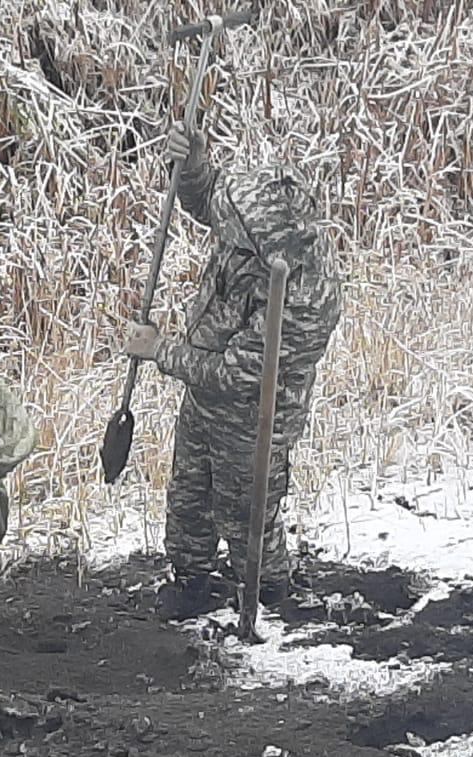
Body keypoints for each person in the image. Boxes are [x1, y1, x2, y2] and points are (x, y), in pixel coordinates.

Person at [123, 126, 343, 619]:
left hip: (254, 419)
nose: (226, 235)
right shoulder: (255, 210)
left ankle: (271, 600)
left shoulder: (304, 297)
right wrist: (194, 166)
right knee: (188, 502)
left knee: (246, 517)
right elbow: (210, 203)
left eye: (239, 235)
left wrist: (160, 350)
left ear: (268, 246)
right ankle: (191, 584)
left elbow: (234, 376)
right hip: (203, 400)